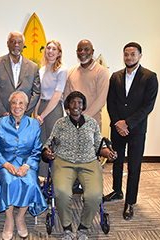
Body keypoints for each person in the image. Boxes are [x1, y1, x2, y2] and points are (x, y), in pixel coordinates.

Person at [42, 91, 117, 240]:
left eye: (80, 103)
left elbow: (98, 146)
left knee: (95, 195)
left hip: (88, 162)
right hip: (63, 162)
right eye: (73, 102)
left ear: (83, 106)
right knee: (62, 192)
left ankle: (84, 227)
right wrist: (47, 153)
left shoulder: (92, 123)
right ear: (68, 106)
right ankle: (67, 228)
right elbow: (48, 144)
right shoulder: (60, 123)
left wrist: (108, 153)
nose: (76, 105)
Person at [105, 42, 158, 221]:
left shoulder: (150, 77)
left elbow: (148, 106)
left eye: (133, 54)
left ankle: (130, 201)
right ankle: (117, 191)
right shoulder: (115, 76)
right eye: (126, 54)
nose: (129, 57)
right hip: (117, 129)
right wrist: (117, 123)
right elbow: (111, 102)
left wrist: (127, 123)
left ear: (140, 56)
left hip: (136, 130)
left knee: (134, 166)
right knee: (117, 161)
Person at [0, 91, 48, 240]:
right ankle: (9, 219)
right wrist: (5, 164)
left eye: (21, 103)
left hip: (26, 163)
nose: (17, 106)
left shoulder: (34, 124)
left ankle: (20, 218)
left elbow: (37, 150)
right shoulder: (0, 122)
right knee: (9, 182)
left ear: (26, 105)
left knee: (30, 182)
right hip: (5, 162)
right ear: (10, 106)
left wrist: (27, 166)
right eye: (14, 102)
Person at [0, 31, 41, 120]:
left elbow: (36, 92)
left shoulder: (33, 67)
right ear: (8, 44)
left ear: (23, 45)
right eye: (13, 41)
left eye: (19, 42)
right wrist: (2, 112)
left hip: (24, 117)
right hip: (2, 116)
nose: (16, 45)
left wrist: (25, 113)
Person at [34, 39, 67, 178]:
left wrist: (44, 114)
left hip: (54, 109)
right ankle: (42, 178)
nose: (50, 51)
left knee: (53, 144)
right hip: (41, 107)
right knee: (42, 143)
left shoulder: (62, 70)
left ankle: (55, 179)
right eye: (48, 48)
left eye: (54, 49)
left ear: (59, 53)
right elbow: (38, 94)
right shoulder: (42, 69)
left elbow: (57, 94)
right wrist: (36, 113)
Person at [63, 39, 109, 127]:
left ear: (92, 51)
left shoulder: (101, 71)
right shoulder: (71, 71)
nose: (82, 52)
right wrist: (71, 115)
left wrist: (82, 118)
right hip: (72, 124)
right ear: (76, 52)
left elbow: (101, 100)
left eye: (86, 49)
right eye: (80, 50)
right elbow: (66, 97)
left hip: (92, 124)